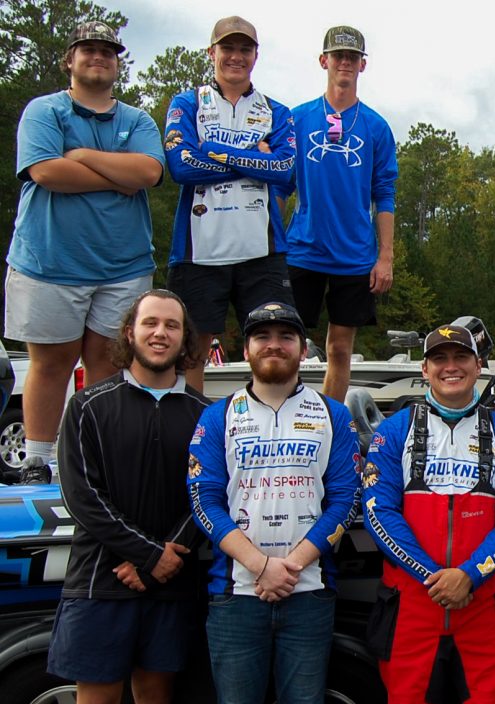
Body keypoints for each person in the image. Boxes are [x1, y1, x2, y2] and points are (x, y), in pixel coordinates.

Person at [188, 302, 360, 704]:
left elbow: (345, 499)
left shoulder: (332, 415)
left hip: (309, 593)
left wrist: (293, 565)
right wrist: (261, 565)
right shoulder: (217, 418)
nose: (274, 344)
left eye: (287, 335)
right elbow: (204, 500)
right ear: (245, 349)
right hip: (234, 595)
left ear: (303, 350)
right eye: (262, 335)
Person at [360, 323, 495, 704]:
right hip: (413, 603)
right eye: (440, 359)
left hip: (485, 601)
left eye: (462, 357)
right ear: (425, 369)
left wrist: (470, 575)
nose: (451, 366)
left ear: (479, 366)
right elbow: (380, 512)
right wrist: (433, 576)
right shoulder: (392, 432)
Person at [47, 289, 209, 704]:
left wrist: (166, 557)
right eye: (150, 323)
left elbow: (207, 495)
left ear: (185, 340)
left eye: (172, 326)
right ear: (129, 332)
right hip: (99, 583)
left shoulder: (206, 414)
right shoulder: (87, 407)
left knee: (156, 699)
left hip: (172, 583)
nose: (160, 333)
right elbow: (83, 498)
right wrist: (146, 554)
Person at [4, 21, 165, 484]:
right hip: (49, 261)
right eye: (88, 50)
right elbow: (46, 173)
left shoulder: (136, 119)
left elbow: (150, 172)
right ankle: (38, 460)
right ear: (69, 60)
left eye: (108, 52)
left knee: (107, 363)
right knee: (51, 363)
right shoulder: (44, 110)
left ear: (118, 63)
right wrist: (118, 176)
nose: (99, 57)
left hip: (123, 265)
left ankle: (91, 458)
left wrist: (77, 156)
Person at [164, 16, 295, 392]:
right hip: (199, 251)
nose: (236, 56)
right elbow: (181, 165)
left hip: (262, 251)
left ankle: (274, 433)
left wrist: (217, 152)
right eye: (228, 48)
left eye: (244, 49)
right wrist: (255, 159)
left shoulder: (277, 111)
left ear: (256, 55)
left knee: (273, 347)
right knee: (191, 353)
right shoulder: (188, 102)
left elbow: (285, 168)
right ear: (212, 53)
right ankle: (190, 438)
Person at [286, 26, 398, 402]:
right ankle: (283, 418)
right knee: (285, 344)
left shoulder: (376, 127)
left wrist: (385, 257)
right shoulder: (296, 120)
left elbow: (384, 194)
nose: (345, 63)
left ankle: (328, 422)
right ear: (324, 61)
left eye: (352, 57)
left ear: (362, 65)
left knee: (339, 348)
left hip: (355, 255)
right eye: (338, 56)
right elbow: (276, 182)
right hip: (303, 248)